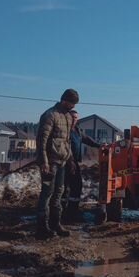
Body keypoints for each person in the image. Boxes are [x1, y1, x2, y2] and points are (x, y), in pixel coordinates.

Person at [35, 88, 80, 239]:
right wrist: (43, 162)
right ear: (64, 100)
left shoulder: (67, 117)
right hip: (50, 162)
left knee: (58, 194)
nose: (73, 107)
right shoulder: (50, 115)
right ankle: (42, 228)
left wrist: (71, 160)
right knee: (47, 193)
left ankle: (56, 224)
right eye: (72, 103)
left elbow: (66, 142)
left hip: (62, 162)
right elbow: (42, 141)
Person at [63, 110, 101, 221]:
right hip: (66, 162)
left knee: (77, 186)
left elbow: (86, 139)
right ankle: (63, 212)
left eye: (76, 118)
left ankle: (72, 210)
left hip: (75, 162)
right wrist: (69, 161)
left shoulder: (77, 130)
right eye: (72, 117)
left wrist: (100, 145)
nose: (74, 119)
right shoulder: (64, 131)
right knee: (64, 187)